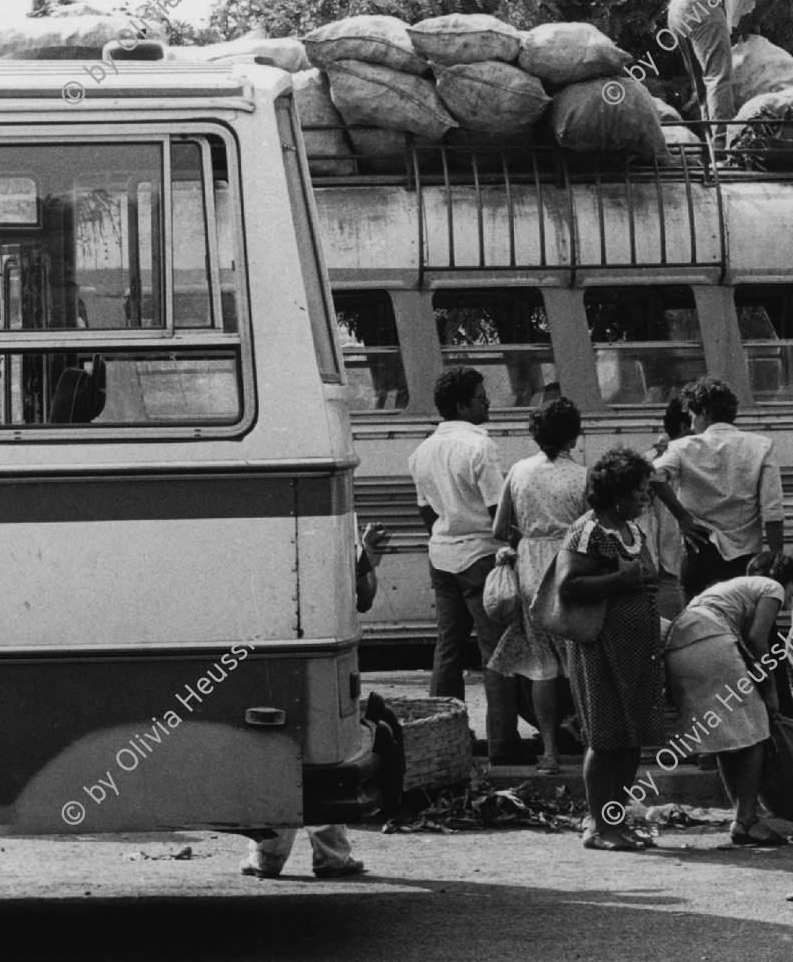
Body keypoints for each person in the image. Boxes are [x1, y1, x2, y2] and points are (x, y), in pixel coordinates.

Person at [241, 523, 385, 879]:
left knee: (278, 751)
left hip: (273, 649)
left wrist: (364, 562)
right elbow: (362, 598)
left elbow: (360, 597)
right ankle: (330, 856)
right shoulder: (337, 520)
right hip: (319, 654)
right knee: (322, 752)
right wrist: (363, 561)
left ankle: (268, 856)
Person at [557, 449, 669, 851]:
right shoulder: (587, 531)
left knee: (629, 738)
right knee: (605, 739)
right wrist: (619, 581)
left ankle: (615, 820)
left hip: (637, 650)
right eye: (639, 490)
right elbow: (568, 585)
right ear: (616, 492)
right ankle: (598, 826)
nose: (646, 497)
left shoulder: (632, 530)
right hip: (601, 650)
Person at [408, 366, 520, 763]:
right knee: (497, 651)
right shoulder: (479, 447)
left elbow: (427, 515)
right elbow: (498, 514)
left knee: (448, 650)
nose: (487, 401)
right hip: (481, 557)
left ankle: (444, 741)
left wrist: (447, 532)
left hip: (441, 556)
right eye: (480, 396)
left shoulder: (421, 451)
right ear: (462, 405)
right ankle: (505, 746)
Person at [664, 555, 793, 845]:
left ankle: (742, 819)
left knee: (728, 736)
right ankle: (747, 819)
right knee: (754, 728)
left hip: (679, 648)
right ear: (788, 581)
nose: (792, 597)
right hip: (710, 641)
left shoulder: (727, 588)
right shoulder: (771, 587)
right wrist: (769, 689)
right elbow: (757, 638)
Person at [489, 397, 588, 776]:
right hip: (568, 565)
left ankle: (549, 753)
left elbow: (500, 529)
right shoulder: (583, 476)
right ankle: (589, 741)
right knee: (578, 660)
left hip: (530, 567)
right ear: (572, 435)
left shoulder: (519, 470)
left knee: (541, 666)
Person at [650, 377, 787, 598]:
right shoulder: (761, 446)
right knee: (745, 623)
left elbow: (653, 475)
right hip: (746, 559)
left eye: (693, 416)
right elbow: (772, 510)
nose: (692, 424)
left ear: (703, 412)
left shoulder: (682, 447)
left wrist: (682, 517)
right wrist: (776, 556)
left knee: (698, 624)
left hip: (699, 554)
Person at [667, 0, 784, 141]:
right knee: (719, 76)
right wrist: (756, 21)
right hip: (704, 0)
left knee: (702, 88)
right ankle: (727, 143)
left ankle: (713, 147)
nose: (756, 4)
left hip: (676, 11)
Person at [637, 398, 693, 620]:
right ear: (683, 427)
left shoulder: (649, 457)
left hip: (661, 562)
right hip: (669, 567)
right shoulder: (666, 458)